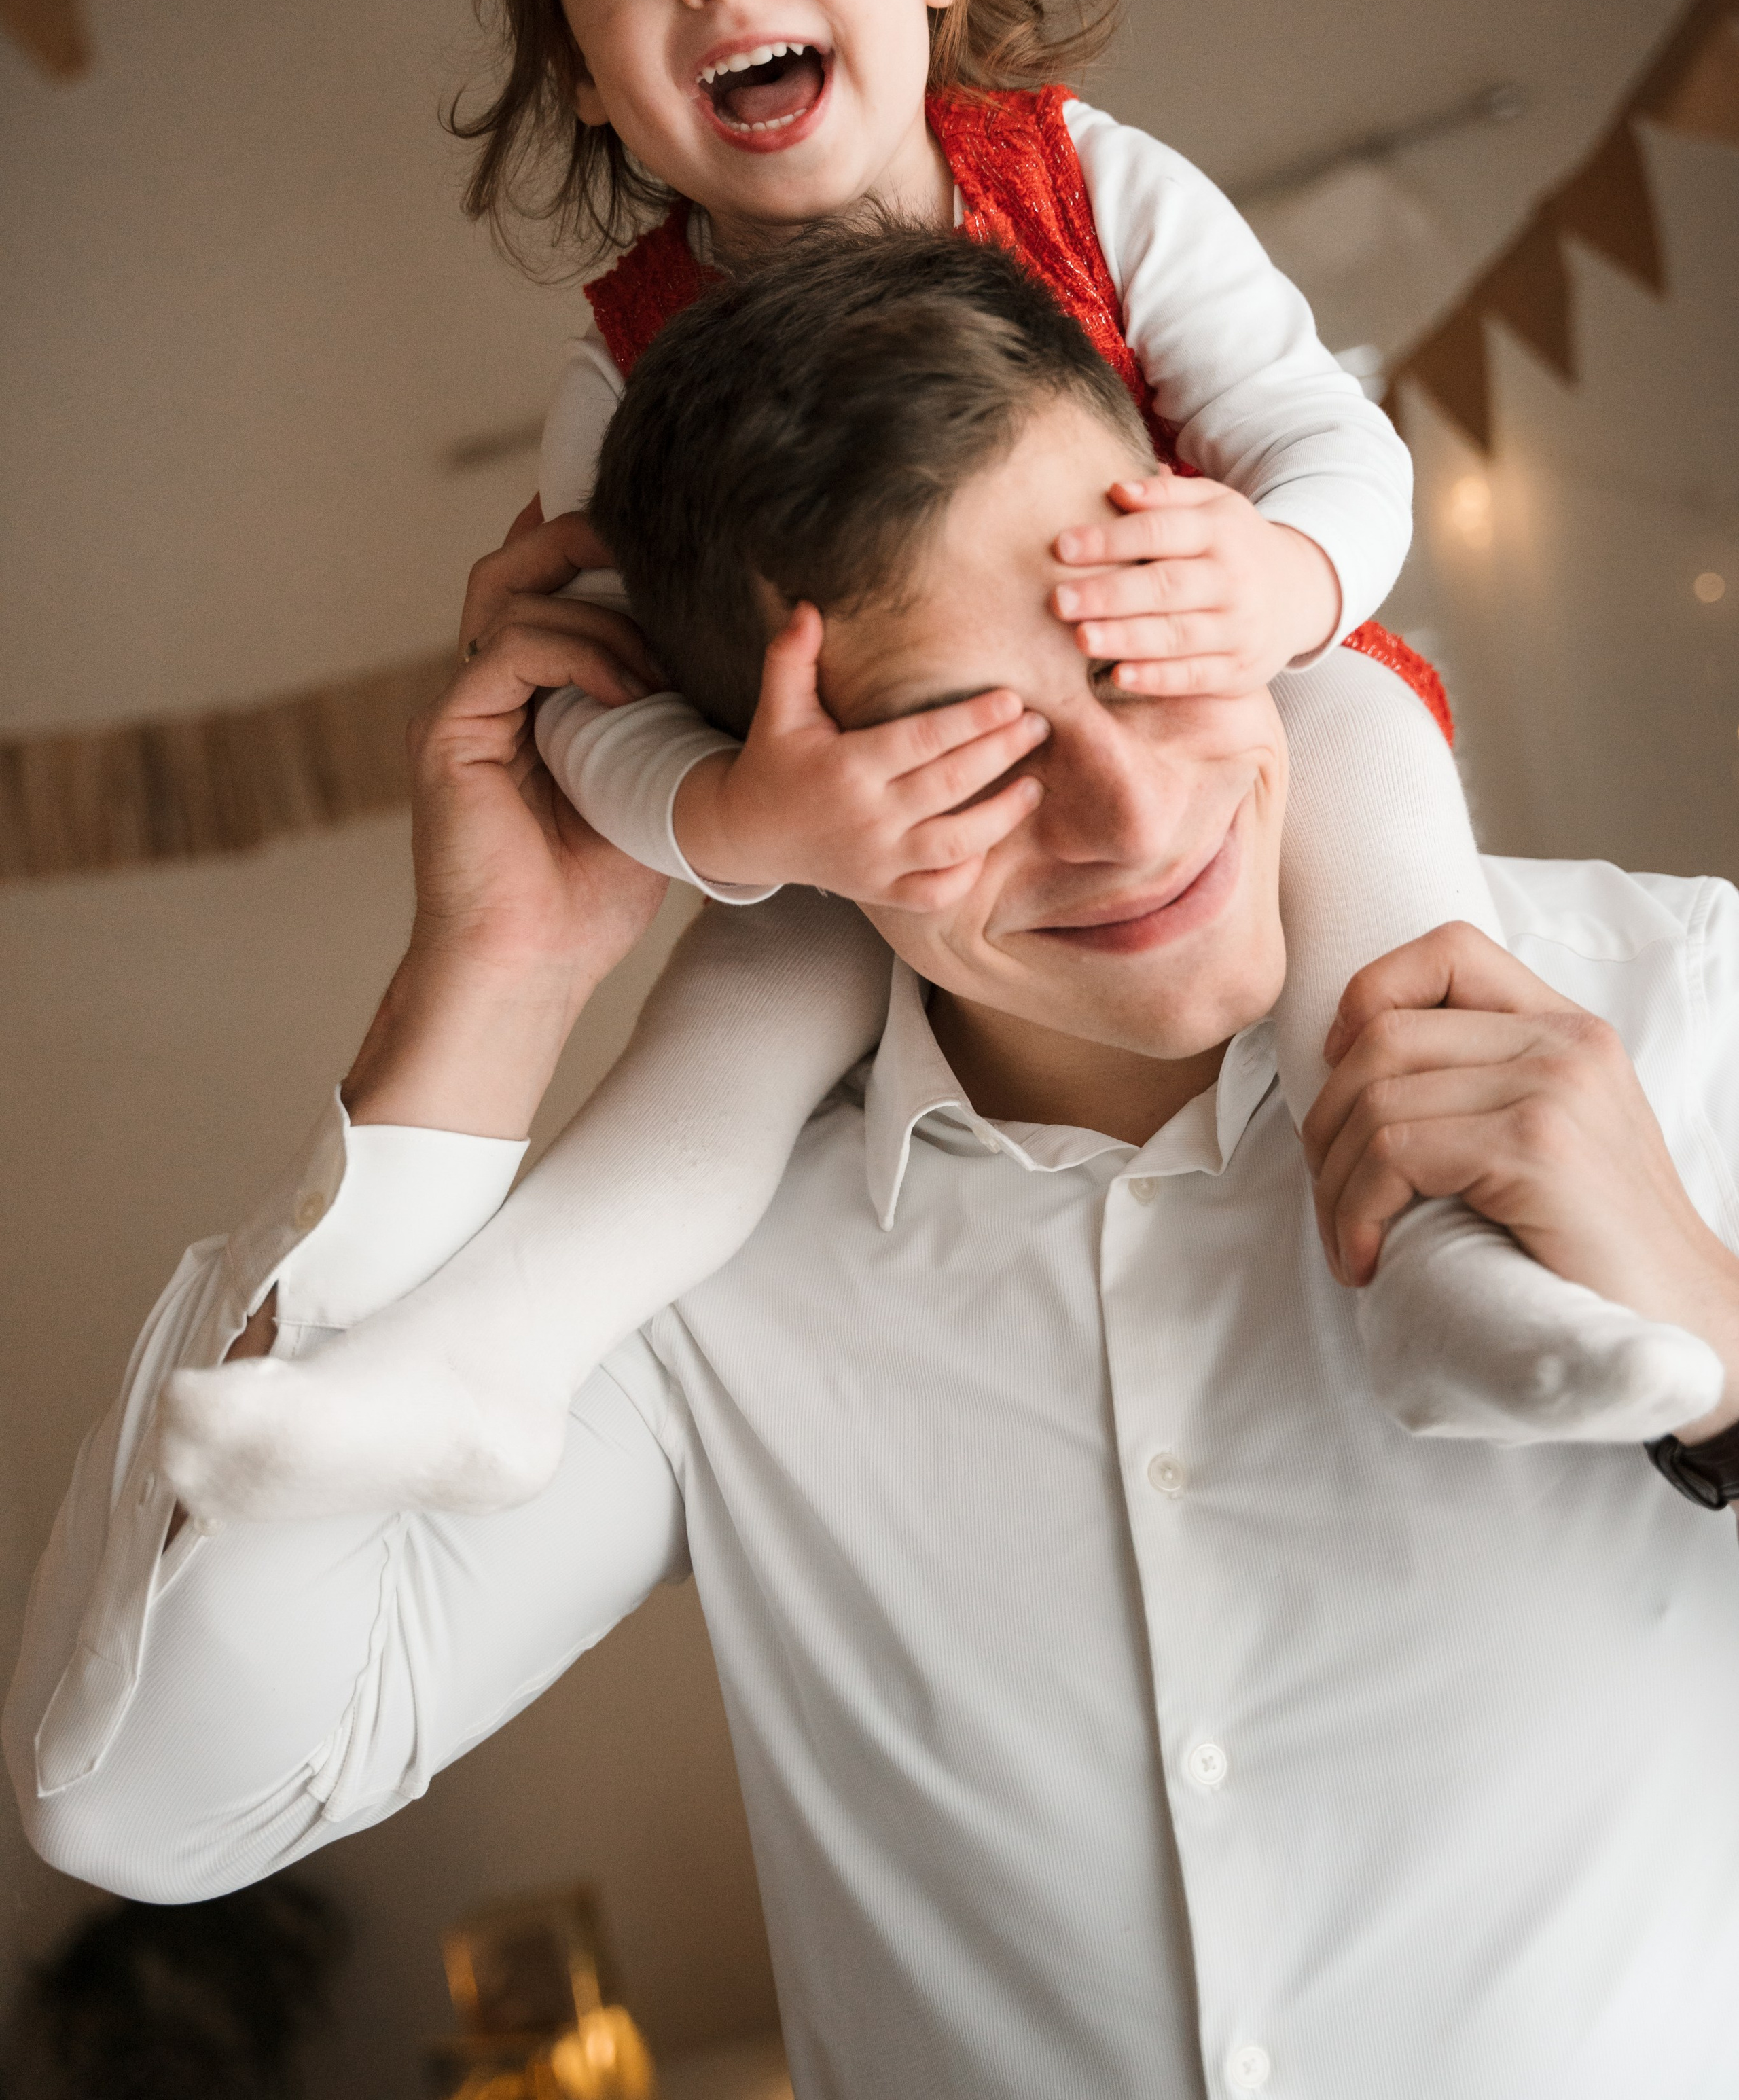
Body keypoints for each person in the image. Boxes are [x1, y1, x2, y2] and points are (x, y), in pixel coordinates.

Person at [11, 229, 1739, 2100]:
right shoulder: (690, 1279)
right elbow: (152, 1802)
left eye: (1139, 651)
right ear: (742, 798)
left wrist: (1724, 1335)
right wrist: (491, 979)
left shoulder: (1693, 1016)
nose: (1136, 816)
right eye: (957, 750)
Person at [154, 0, 1719, 1527]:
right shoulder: (623, 382)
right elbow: (578, 709)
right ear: (592, 82)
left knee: (1397, 876)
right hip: (864, 834)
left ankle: (1442, 1268)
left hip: (1240, 689)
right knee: (728, 1031)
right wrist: (734, 823)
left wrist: (1284, 573)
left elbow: (1331, 442)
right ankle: (486, 1361)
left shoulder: (1096, 185)